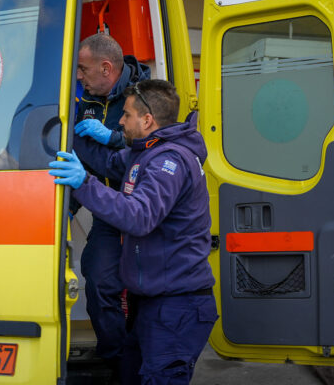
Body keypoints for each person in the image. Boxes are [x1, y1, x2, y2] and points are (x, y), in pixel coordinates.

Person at [51, 79, 217, 384]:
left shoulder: (169, 162)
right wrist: (66, 137)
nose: (121, 122)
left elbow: (139, 216)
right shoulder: (143, 153)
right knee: (128, 373)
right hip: (151, 303)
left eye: (126, 115)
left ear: (147, 120)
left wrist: (84, 184)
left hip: (177, 307)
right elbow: (109, 162)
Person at [73, 33, 150, 372]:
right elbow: (80, 159)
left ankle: (145, 355)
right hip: (106, 211)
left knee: (148, 287)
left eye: (83, 68)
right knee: (99, 278)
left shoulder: (147, 95)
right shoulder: (84, 102)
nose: (78, 76)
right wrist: (62, 213)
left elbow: (159, 140)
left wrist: (115, 138)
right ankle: (116, 362)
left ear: (106, 68)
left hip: (148, 209)